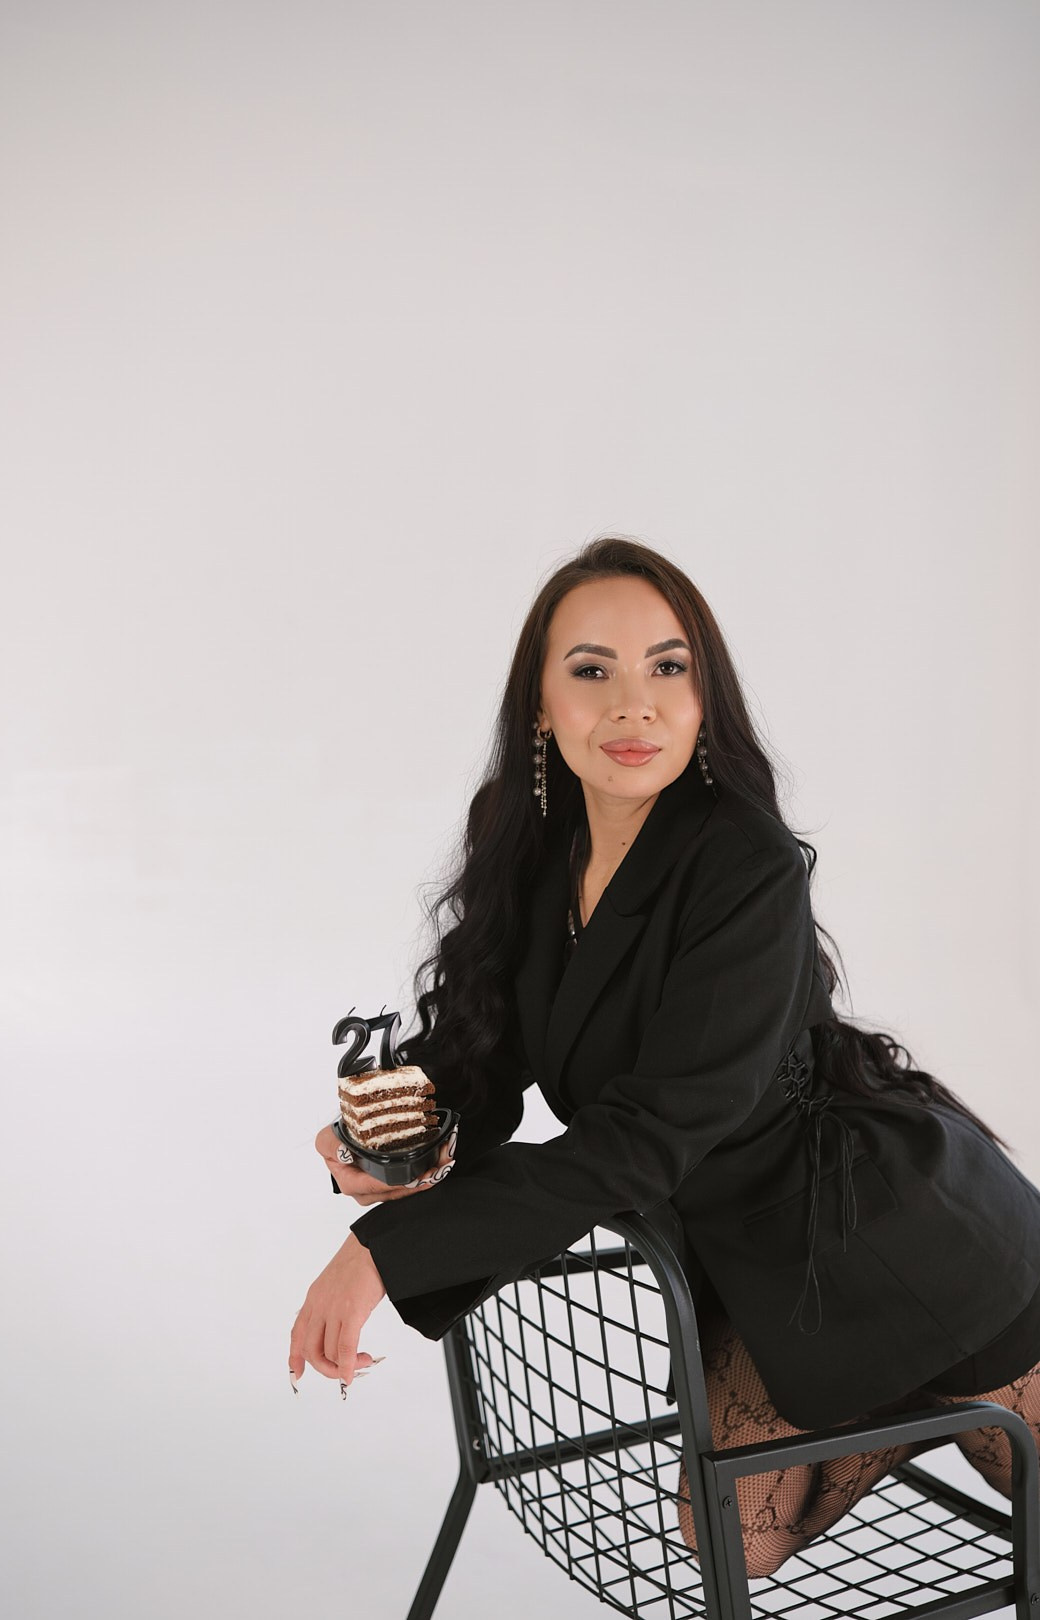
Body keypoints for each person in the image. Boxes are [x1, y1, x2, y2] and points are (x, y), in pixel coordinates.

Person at [289, 535, 1040, 1577]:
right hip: (758, 1266)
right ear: (541, 705)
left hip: (896, 1242)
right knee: (735, 1539)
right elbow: (485, 1047)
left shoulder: (745, 863)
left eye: (668, 669)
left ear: (702, 698)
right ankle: (896, 1403)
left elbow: (645, 1138)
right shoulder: (532, 835)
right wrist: (398, 1140)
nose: (634, 707)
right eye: (592, 671)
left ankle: (927, 1381)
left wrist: (386, 1253)